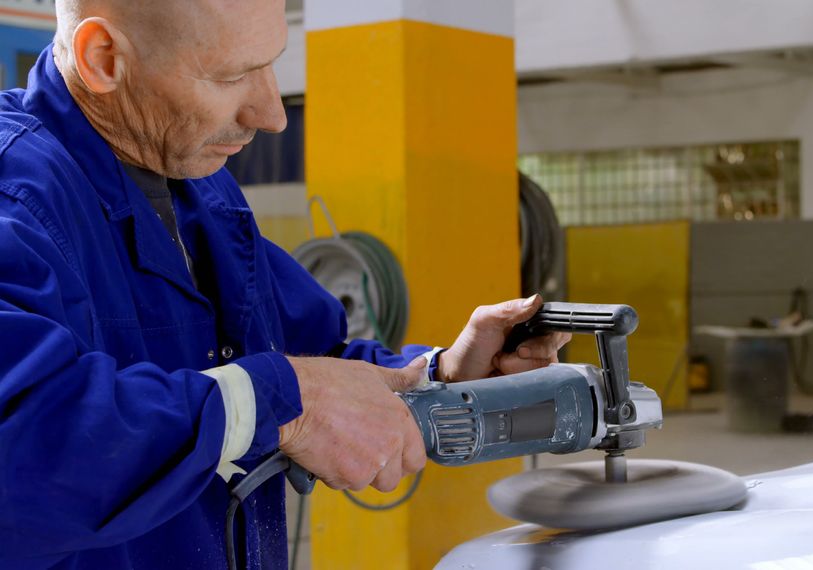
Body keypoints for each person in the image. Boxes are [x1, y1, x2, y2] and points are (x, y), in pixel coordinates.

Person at [0, 0, 569, 568]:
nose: (271, 114)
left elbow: (308, 359)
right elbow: (24, 442)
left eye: (270, 65)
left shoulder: (203, 187)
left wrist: (437, 375)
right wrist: (285, 402)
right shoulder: (18, 199)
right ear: (103, 58)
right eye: (232, 75)